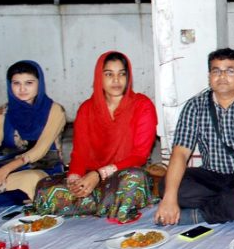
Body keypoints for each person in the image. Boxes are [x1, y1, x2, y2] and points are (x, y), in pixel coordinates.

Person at [153, 48, 234, 225]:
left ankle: (201, 215)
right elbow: (180, 153)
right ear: (209, 76)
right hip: (213, 176)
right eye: (216, 71)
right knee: (167, 186)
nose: (222, 76)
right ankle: (232, 204)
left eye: (230, 71)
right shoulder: (195, 106)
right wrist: (169, 198)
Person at [33, 52, 158, 222]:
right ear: (99, 77)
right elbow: (79, 153)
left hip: (123, 176)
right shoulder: (86, 109)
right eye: (109, 74)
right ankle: (109, 204)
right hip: (92, 180)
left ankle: (100, 203)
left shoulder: (142, 106)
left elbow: (139, 155)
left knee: (134, 179)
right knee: (44, 190)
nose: (116, 80)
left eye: (122, 74)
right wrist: (75, 180)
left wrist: (99, 174)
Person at [0, 61, 65, 200]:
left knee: (32, 180)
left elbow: (39, 151)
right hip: (6, 169)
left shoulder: (55, 110)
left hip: (43, 169)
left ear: (39, 84)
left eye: (29, 83)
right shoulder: (4, 111)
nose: (22, 89)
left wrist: (4, 171)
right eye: (16, 83)